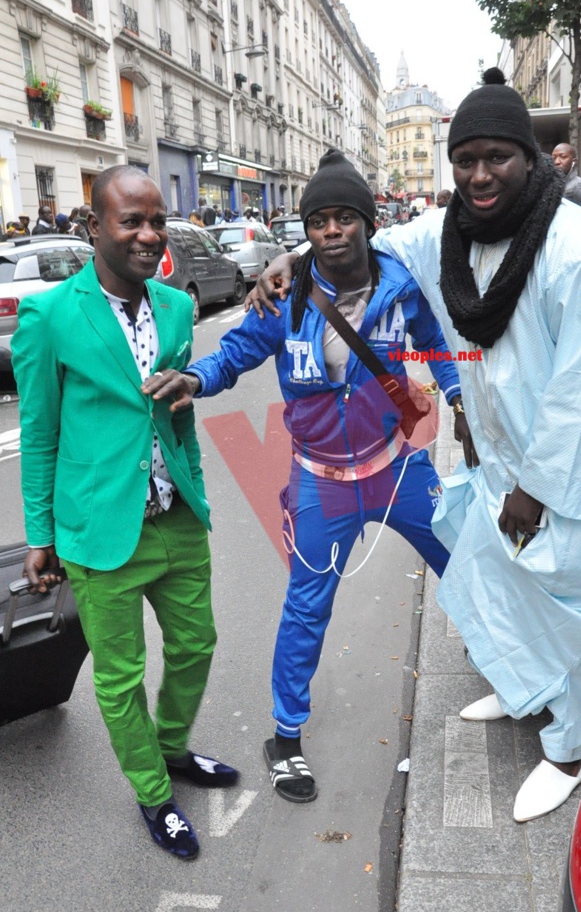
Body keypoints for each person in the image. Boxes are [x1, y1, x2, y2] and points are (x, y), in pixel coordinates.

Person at [251, 87, 581, 823]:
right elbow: (361, 242)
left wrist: (538, 487)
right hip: (502, 461)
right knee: (500, 575)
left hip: (578, 478)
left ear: (530, 158)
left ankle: (568, 747)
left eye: (496, 157)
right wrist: (291, 257)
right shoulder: (454, 232)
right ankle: (524, 687)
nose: (479, 174)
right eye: (464, 160)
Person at [145, 149, 471, 804]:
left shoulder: (400, 282)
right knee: (306, 607)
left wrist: (460, 398)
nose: (331, 230)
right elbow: (235, 354)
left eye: (344, 217)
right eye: (318, 220)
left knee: (468, 564)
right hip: (322, 481)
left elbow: (435, 340)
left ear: (367, 222)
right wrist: (197, 378)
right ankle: (285, 736)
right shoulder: (283, 294)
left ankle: (511, 669)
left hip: (396, 466)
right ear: (308, 230)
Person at [12, 165, 238, 860]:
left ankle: (170, 747)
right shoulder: (50, 315)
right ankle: (153, 791)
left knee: (197, 646)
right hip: (98, 531)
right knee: (120, 677)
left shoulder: (175, 306)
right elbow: (40, 434)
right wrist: (41, 534)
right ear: (94, 227)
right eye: (131, 221)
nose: (148, 235)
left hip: (175, 518)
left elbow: (179, 412)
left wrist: (195, 486)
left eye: (157, 221)